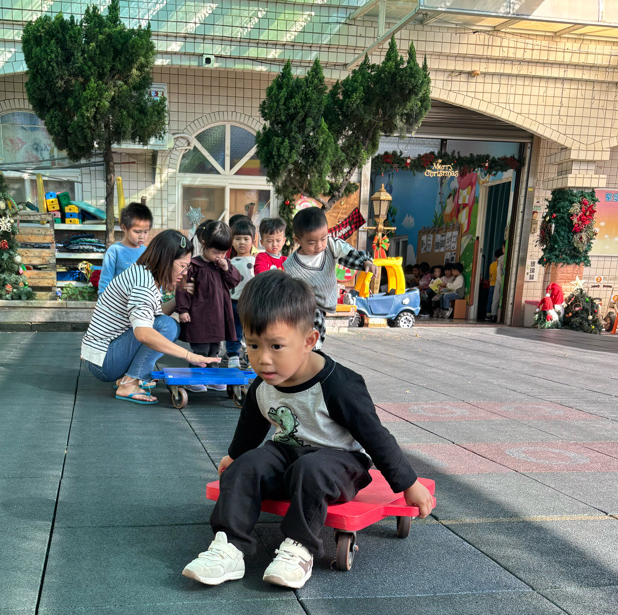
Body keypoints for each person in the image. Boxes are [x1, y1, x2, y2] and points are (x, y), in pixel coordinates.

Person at [182, 272, 433, 589]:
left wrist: (408, 483)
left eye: (276, 346)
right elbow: (252, 422)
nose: (263, 359)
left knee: (311, 469)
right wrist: (235, 456)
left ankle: (299, 549)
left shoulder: (340, 385)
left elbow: (375, 436)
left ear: (309, 341)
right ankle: (229, 547)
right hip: (287, 453)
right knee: (245, 467)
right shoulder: (265, 382)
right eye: (253, 345)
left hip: (340, 464)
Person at [81, 230, 218, 405]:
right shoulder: (143, 285)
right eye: (182, 266)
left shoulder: (144, 273)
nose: (185, 272)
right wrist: (190, 356)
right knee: (168, 326)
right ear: (166, 260)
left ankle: (130, 378)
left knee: (167, 324)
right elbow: (144, 333)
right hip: (104, 362)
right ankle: (130, 383)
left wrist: (180, 297)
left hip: (103, 355)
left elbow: (152, 316)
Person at [283, 206, 375, 348]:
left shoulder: (331, 245)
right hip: (306, 304)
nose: (319, 245)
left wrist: (365, 263)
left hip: (326, 300)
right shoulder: (291, 266)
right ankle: (312, 349)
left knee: (317, 328)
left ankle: (311, 348)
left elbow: (349, 254)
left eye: (323, 238)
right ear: (298, 240)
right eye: (311, 243)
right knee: (311, 326)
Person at [175, 220, 241, 393]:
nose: (219, 256)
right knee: (201, 349)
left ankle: (212, 378)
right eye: (215, 252)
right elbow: (182, 288)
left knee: (214, 349)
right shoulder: (194, 266)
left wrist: (226, 268)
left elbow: (235, 281)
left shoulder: (223, 265)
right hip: (199, 316)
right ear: (204, 244)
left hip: (218, 316)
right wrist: (183, 309)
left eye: (223, 252)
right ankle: (194, 378)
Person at [97, 202, 152, 295]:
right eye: (137, 232)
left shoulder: (148, 252)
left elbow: (154, 278)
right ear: (124, 227)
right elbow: (105, 279)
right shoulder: (115, 251)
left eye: (146, 232)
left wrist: (158, 299)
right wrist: (103, 300)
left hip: (142, 301)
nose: (142, 236)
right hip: (119, 301)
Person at [228, 216, 256, 369]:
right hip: (232, 302)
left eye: (246, 239)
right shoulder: (228, 263)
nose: (242, 242)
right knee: (234, 330)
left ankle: (252, 357)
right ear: (231, 241)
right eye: (237, 239)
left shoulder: (257, 261)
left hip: (251, 303)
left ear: (253, 240)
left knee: (252, 332)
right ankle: (233, 356)